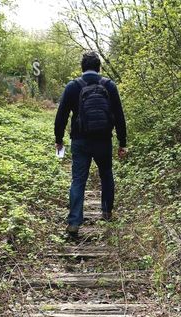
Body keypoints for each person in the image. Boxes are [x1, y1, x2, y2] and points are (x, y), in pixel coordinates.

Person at [55, 51, 128, 238]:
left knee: (78, 180)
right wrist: (122, 142)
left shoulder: (73, 86)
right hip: (103, 140)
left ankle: (74, 223)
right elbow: (119, 116)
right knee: (106, 175)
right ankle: (107, 212)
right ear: (99, 67)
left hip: (80, 141)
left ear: (82, 67)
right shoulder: (109, 85)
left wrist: (59, 139)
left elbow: (61, 115)